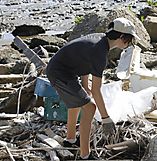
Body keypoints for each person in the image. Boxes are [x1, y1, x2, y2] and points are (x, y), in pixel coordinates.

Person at [46, 17, 140, 159]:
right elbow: (97, 90)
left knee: (79, 102)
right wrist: (105, 118)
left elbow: (82, 59)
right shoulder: (100, 53)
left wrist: (85, 86)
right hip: (60, 73)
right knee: (90, 107)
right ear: (121, 37)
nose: (129, 44)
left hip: (63, 69)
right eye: (129, 40)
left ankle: (70, 140)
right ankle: (85, 155)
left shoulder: (100, 40)